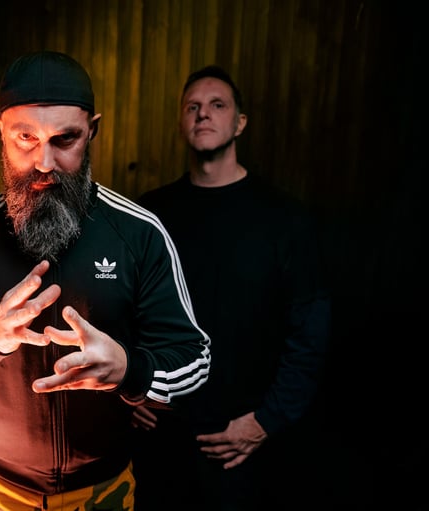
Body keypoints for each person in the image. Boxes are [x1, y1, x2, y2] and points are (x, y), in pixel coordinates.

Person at [0, 50, 212, 511]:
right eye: (25, 138)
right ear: (0, 132)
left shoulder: (140, 233)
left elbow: (195, 364)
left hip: (105, 490)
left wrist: (130, 370)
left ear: (92, 131)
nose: (44, 161)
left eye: (65, 139)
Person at [132, 65, 332, 510]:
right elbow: (120, 308)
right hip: (161, 438)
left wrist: (265, 421)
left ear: (240, 123)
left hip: (241, 441)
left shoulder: (284, 220)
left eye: (217, 105)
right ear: (181, 122)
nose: (203, 114)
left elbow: (310, 332)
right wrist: (128, 387)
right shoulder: (149, 214)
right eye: (192, 107)